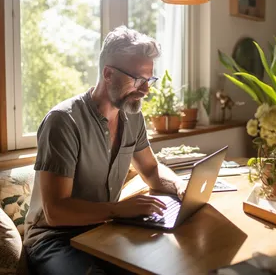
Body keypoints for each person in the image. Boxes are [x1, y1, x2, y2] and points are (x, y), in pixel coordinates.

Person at [24, 26, 185, 275]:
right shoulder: (63, 121)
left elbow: (152, 170)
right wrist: (120, 210)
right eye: (137, 80)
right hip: (55, 239)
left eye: (149, 80)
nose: (146, 90)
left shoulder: (133, 117)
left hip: (105, 228)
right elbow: (55, 212)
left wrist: (179, 185)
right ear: (108, 74)